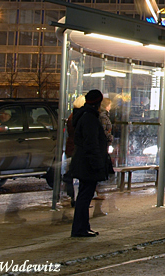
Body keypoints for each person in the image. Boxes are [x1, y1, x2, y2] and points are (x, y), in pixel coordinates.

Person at [69, 89, 109, 238]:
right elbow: (91, 143)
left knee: (84, 195)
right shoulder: (90, 118)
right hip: (87, 163)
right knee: (85, 196)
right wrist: (97, 164)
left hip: (83, 161)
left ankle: (83, 227)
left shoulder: (84, 116)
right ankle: (80, 228)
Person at [63, 96, 85, 208]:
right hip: (76, 148)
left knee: (74, 173)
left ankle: (74, 196)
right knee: (77, 174)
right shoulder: (79, 117)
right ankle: (75, 198)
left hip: (71, 147)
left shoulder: (73, 116)